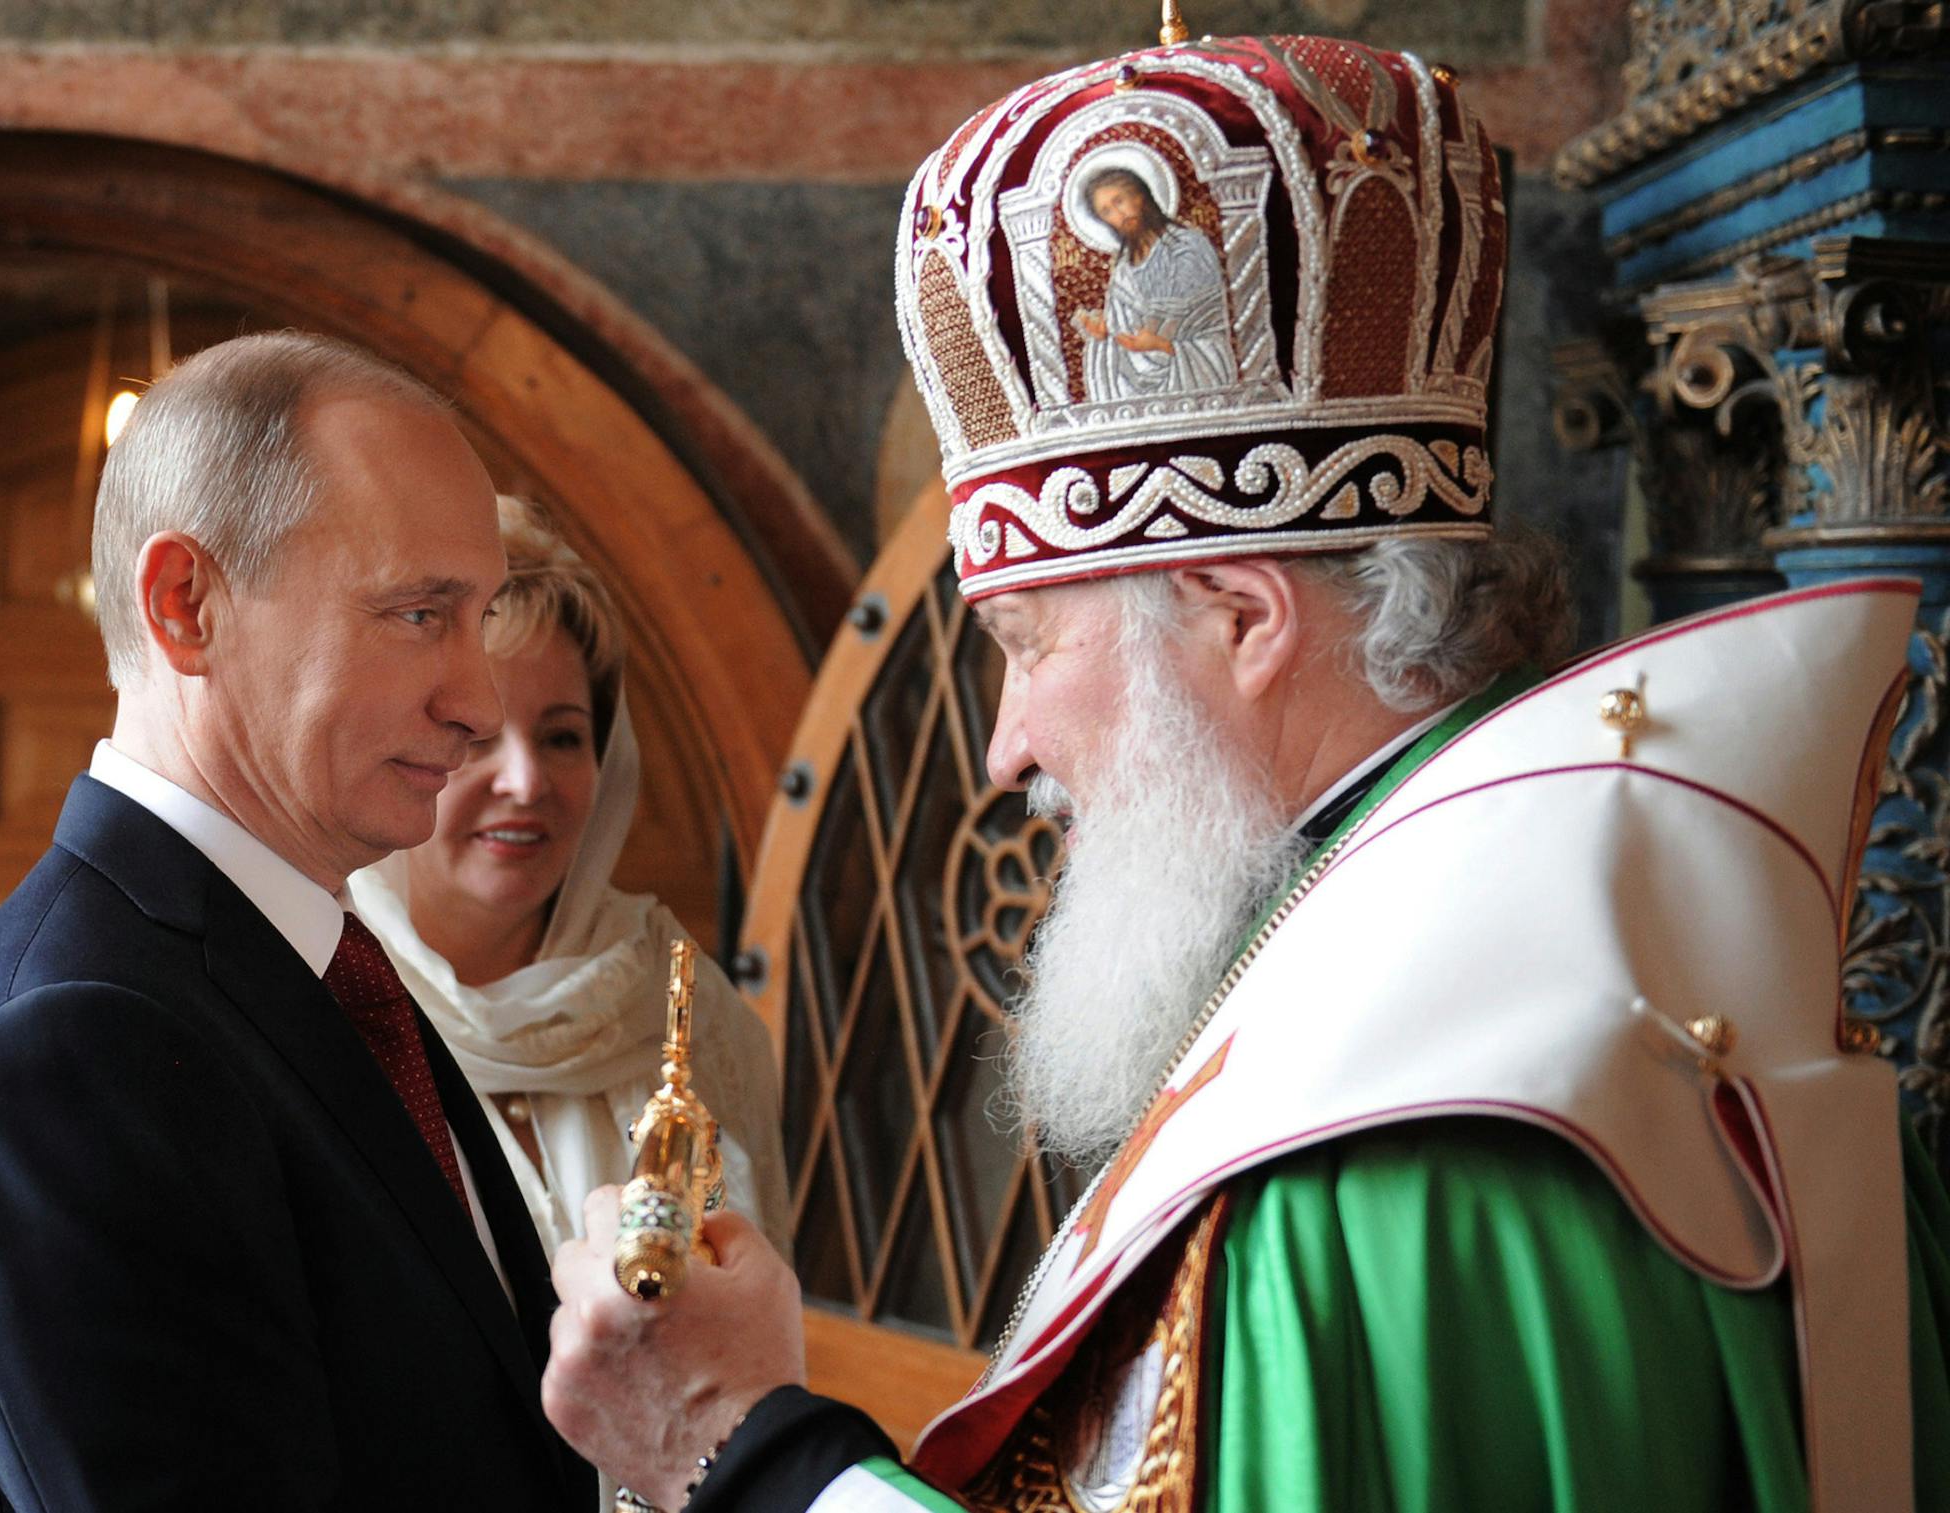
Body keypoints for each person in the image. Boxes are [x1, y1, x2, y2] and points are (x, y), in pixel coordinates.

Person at [537, 34, 1950, 1513]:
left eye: (1023, 640)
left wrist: (738, 1444)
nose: (1007, 744)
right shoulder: (1632, 930)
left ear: (1239, 619)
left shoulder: (1364, 1136)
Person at [0, 331, 592, 1509]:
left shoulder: (313, 960)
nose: (475, 703)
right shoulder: (67, 1048)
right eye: (419, 615)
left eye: (481, 617)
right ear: (185, 605)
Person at [349, 498, 788, 1260]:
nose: (525, 780)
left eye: (561, 736)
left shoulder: (686, 1004)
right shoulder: (334, 996)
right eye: (476, 737)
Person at [1074, 166, 1238, 403]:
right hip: (1136, 384)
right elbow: (1125, 326)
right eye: (1107, 211)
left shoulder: (1187, 247)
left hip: (1193, 369)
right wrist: (1105, 332)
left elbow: (1204, 320)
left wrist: (1162, 345)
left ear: (1139, 195)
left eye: (1119, 201)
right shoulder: (1123, 269)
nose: (1118, 215)